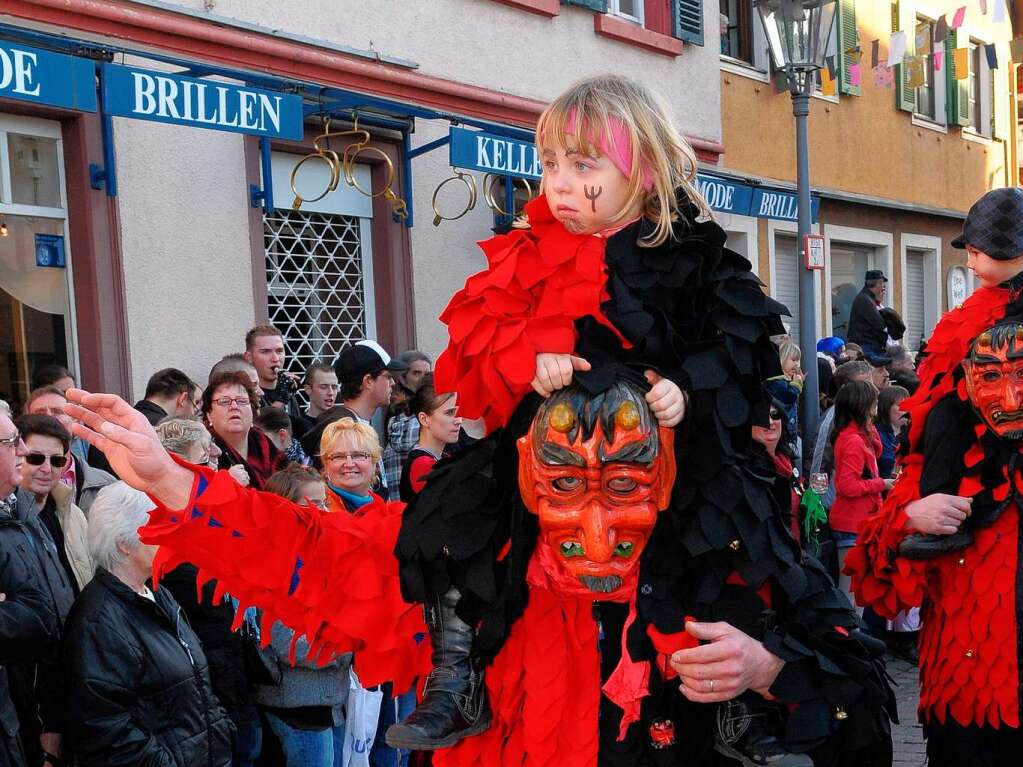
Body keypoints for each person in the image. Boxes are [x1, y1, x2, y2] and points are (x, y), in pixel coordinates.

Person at [64, 375, 894, 767]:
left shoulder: (733, 560)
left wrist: (768, 666)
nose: (594, 523)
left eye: (626, 483)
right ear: (527, 470)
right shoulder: (459, 563)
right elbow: (309, 553)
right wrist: (171, 479)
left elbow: (860, 699)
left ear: (668, 474)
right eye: (565, 483)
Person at [844, 188, 1023, 765]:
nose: (1009, 394)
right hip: (965, 671)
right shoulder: (957, 345)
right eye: (989, 374)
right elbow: (886, 563)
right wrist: (910, 517)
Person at [62, 482, 234, 767]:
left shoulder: (158, 592)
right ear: (124, 544)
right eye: (159, 529)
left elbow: (196, 681)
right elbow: (106, 729)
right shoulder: (98, 622)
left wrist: (222, 731)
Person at [153, 417, 263, 767]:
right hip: (207, 674)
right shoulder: (165, 520)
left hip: (234, 661)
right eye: (207, 458)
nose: (217, 459)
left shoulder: (211, 510)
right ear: (180, 467)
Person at [258, 464, 351, 767]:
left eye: (325, 502)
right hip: (298, 707)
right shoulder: (270, 564)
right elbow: (286, 643)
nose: (323, 511)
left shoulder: (319, 553)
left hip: (328, 702)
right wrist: (348, 643)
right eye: (312, 505)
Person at [0, 411, 59, 767]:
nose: (23, 450)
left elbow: (43, 616)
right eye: (11, 442)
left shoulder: (22, 514)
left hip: (27, 715)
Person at [300, 341, 406, 495]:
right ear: (368, 381)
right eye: (388, 376)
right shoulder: (342, 429)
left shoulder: (355, 423)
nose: (392, 383)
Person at [829, 381, 893, 614]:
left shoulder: (854, 436)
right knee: (850, 590)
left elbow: (875, 452)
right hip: (852, 524)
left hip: (858, 522)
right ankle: (846, 638)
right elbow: (847, 485)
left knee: (856, 590)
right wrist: (881, 484)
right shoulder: (853, 440)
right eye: (873, 404)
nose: (876, 410)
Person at [14, 415, 91, 593]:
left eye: (56, 461)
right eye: (36, 459)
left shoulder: (74, 515)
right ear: (16, 456)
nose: (47, 469)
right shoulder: (8, 518)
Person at [88, 367, 200, 474]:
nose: (194, 412)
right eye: (194, 404)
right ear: (183, 399)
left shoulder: (110, 424)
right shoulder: (172, 433)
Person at [23, 387, 116, 515]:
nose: (50, 418)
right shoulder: (11, 490)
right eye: (40, 413)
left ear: (76, 420)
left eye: (57, 411)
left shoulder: (106, 484)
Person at [204, 371, 288, 490]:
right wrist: (226, 483)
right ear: (208, 415)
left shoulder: (263, 443)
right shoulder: (203, 450)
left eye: (242, 401)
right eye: (224, 402)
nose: (234, 407)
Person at [399, 378, 461, 502]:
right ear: (424, 419)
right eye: (449, 413)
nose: (458, 420)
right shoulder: (423, 464)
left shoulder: (441, 456)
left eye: (459, 412)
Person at [763, 341, 802, 457]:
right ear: (782, 358)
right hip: (782, 434)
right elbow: (789, 396)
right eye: (793, 360)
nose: (797, 364)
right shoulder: (777, 382)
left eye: (798, 360)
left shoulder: (785, 381)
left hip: (786, 433)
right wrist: (796, 384)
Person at [846, 270, 889, 362]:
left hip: (867, 345)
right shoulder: (865, 300)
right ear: (878, 283)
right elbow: (879, 324)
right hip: (867, 346)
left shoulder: (866, 298)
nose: (883, 288)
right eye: (882, 284)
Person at [291, 362, 338, 439]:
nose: (330, 393)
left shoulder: (343, 423)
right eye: (323, 387)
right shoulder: (297, 427)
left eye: (334, 387)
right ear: (308, 389)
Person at [874, 385, 909, 481]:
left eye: (908, 403)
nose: (907, 408)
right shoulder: (876, 434)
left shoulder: (910, 431)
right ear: (886, 407)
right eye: (900, 404)